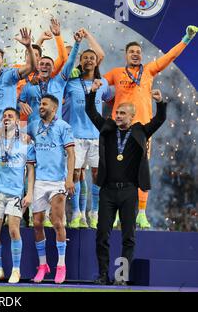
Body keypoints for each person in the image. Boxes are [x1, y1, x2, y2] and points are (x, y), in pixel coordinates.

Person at [103, 26, 196, 229]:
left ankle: (142, 214)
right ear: (126, 55)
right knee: (116, 171)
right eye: (131, 52)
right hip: (118, 130)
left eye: (138, 52)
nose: (135, 54)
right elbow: (99, 83)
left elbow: (169, 57)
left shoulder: (149, 71)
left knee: (141, 170)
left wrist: (186, 39)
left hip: (142, 130)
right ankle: (118, 212)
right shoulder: (116, 73)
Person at [85, 80, 166, 285]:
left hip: (130, 191)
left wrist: (161, 103)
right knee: (102, 234)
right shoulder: (108, 129)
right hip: (108, 191)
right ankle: (103, 275)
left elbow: (159, 119)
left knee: (128, 237)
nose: (118, 116)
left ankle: (121, 277)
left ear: (131, 116)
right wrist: (92, 93)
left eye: (122, 113)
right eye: (117, 112)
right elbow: (91, 112)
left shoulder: (140, 131)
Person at [64, 29, 110, 229]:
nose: (90, 60)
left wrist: (88, 35)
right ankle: (76, 213)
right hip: (76, 137)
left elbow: (101, 54)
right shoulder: (71, 83)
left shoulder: (103, 83)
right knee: (75, 175)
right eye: (85, 58)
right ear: (80, 62)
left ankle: (95, 212)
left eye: (92, 58)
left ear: (96, 61)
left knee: (98, 176)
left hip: (96, 137)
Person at [27, 95, 75, 284]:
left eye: (44, 104)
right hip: (39, 181)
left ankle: (61, 265)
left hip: (57, 182)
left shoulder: (63, 126)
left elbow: (71, 153)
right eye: (40, 103)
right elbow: (24, 137)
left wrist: (69, 179)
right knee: (37, 224)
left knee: (57, 222)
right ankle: (43, 265)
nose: (41, 106)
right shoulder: (34, 125)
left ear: (54, 108)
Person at [0, 108, 35, 284]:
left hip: (15, 194)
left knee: (14, 230)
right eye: (4, 116)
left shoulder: (25, 142)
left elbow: (30, 169)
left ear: (17, 120)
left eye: (10, 116)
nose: (7, 118)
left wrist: (29, 193)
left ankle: (16, 270)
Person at [19, 30, 83, 123]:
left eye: (48, 64)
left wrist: (76, 43)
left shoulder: (57, 81)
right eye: (42, 64)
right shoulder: (23, 79)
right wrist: (21, 103)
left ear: (53, 68)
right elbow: (16, 101)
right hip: (28, 126)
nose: (44, 66)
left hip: (53, 126)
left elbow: (67, 61)